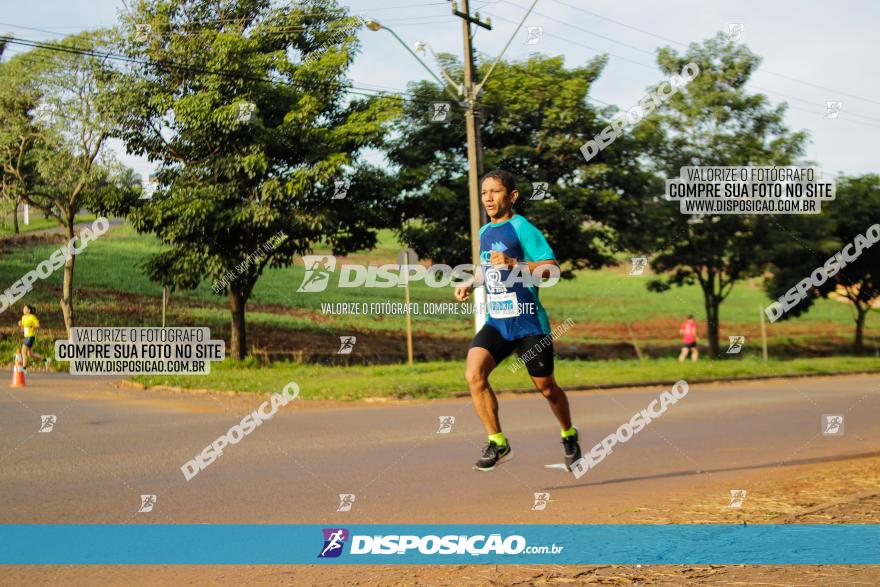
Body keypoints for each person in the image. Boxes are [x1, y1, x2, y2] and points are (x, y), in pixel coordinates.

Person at [455, 169, 581, 472]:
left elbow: (552, 269)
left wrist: (516, 263)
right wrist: (471, 282)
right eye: (484, 192)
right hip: (497, 321)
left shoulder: (523, 228)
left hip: (528, 323)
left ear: (512, 196)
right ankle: (498, 442)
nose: (488, 198)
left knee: (547, 387)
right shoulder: (485, 233)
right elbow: (489, 268)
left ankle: (569, 434)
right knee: (474, 375)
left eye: (495, 191)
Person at [19, 305, 50, 370]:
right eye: (23, 309)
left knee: (23, 352)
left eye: (25, 309)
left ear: (29, 310)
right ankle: (46, 360)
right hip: (26, 336)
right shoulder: (23, 317)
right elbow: (22, 330)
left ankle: (24, 369)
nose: (23, 310)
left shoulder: (32, 317)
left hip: (30, 336)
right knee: (30, 354)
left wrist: (33, 326)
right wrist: (20, 325)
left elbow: (38, 325)